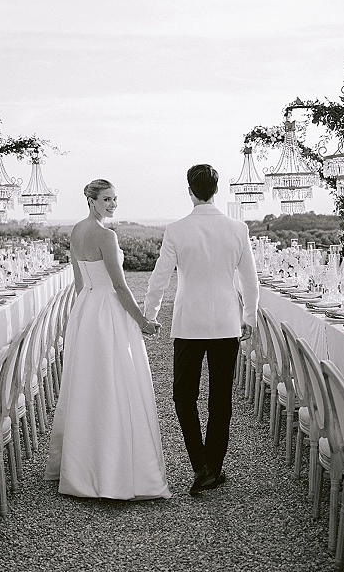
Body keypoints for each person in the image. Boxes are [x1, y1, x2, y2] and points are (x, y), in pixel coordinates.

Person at [45, 179, 171, 500]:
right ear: (91, 200)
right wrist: (142, 321)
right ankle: (113, 471)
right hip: (107, 312)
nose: (113, 204)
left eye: (115, 199)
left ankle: (82, 468)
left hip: (86, 309)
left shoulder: (76, 230)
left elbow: (78, 280)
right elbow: (119, 286)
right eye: (106, 199)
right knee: (114, 384)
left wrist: (80, 316)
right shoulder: (106, 235)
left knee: (88, 384)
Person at [144, 164, 259, 495]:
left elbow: (160, 277)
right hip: (226, 323)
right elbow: (250, 281)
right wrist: (248, 317)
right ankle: (213, 467)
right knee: (221, 398)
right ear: (216, 190)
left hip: (189, 323)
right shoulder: (238, 229)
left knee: (183, 396)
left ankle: (201, 465)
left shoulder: (177, 229)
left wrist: (150, 314)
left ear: (190, 190)